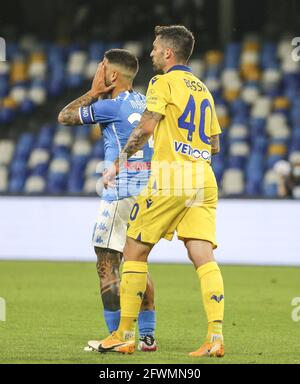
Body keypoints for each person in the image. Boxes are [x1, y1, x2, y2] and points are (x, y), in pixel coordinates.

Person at [88, 25, 225, 357]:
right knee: (203, 257)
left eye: (154, 48)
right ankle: (215, 338)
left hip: (170, 176)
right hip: (204, 178)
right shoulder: (203, 89)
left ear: (168, 53)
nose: (150, 53)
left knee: (133, 252)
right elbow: (215, 144)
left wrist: (119, 162)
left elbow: (146, 126)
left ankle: (123, 334)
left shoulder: (162, 83)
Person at [58, 49, 157, 352]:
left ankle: (116, 337)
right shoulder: (146, 102)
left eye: (101, 68)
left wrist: (92, 91)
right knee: (136, 263)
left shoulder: (110, 106)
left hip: (120, 192)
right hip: (148, 191)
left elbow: (64, 117)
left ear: (112, 75)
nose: (97, 73)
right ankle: (147, 336)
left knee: (105, 263)